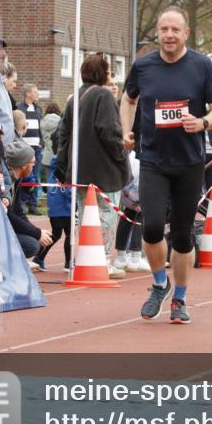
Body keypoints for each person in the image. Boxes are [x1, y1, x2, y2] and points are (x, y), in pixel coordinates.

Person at [120, 6, 212, 324]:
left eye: (174, 30)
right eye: (164, 29)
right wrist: (126, 129)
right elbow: (128, 99)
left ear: (186, 34)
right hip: (152, 159)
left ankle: (179, 299)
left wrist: (204, 122)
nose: (168, 35)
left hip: (190, 162)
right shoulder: (143, 66)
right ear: (158, 32)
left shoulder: (201, 65)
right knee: (151, 227)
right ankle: (158, 283)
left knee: (181, 236)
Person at [57, 52, 131, 279]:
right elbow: (109, 131)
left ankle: (87, 257)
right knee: (107, 213)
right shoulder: (104, 96)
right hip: (104, 169)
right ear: (102, 73)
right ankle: (103, 259)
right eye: (109, 72)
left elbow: (63, 134)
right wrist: (121, 150)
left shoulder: (74, 99)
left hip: (80, 168)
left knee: (86, 214)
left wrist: (64, 165)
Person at [4, 140, 53, 260]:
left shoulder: (18, 179)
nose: (34, 166)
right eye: (33, 163)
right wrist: (37, 233)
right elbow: (10, 216)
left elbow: (19, 212)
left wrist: (37, 232)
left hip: (7, 227)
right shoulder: (6, 183)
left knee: (40, 242)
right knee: (32, 246)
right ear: (23, 165)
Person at [18, 83, 44, 184]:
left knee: (36, 175)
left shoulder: (38, 109)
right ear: (28, 94)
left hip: (37, 147)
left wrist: (41, 142)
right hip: (23, 147)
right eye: (35, 92)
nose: (38, 94)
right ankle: (22, 199)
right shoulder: (19, 108)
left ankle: (33, 200)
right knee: (23, 174)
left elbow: (40, 127)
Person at [41, 102, 62, 183]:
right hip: (58, 154)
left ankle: (50, 195)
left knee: (49, 180)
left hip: (47, 155)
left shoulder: (43, 121)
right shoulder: (60, 121)